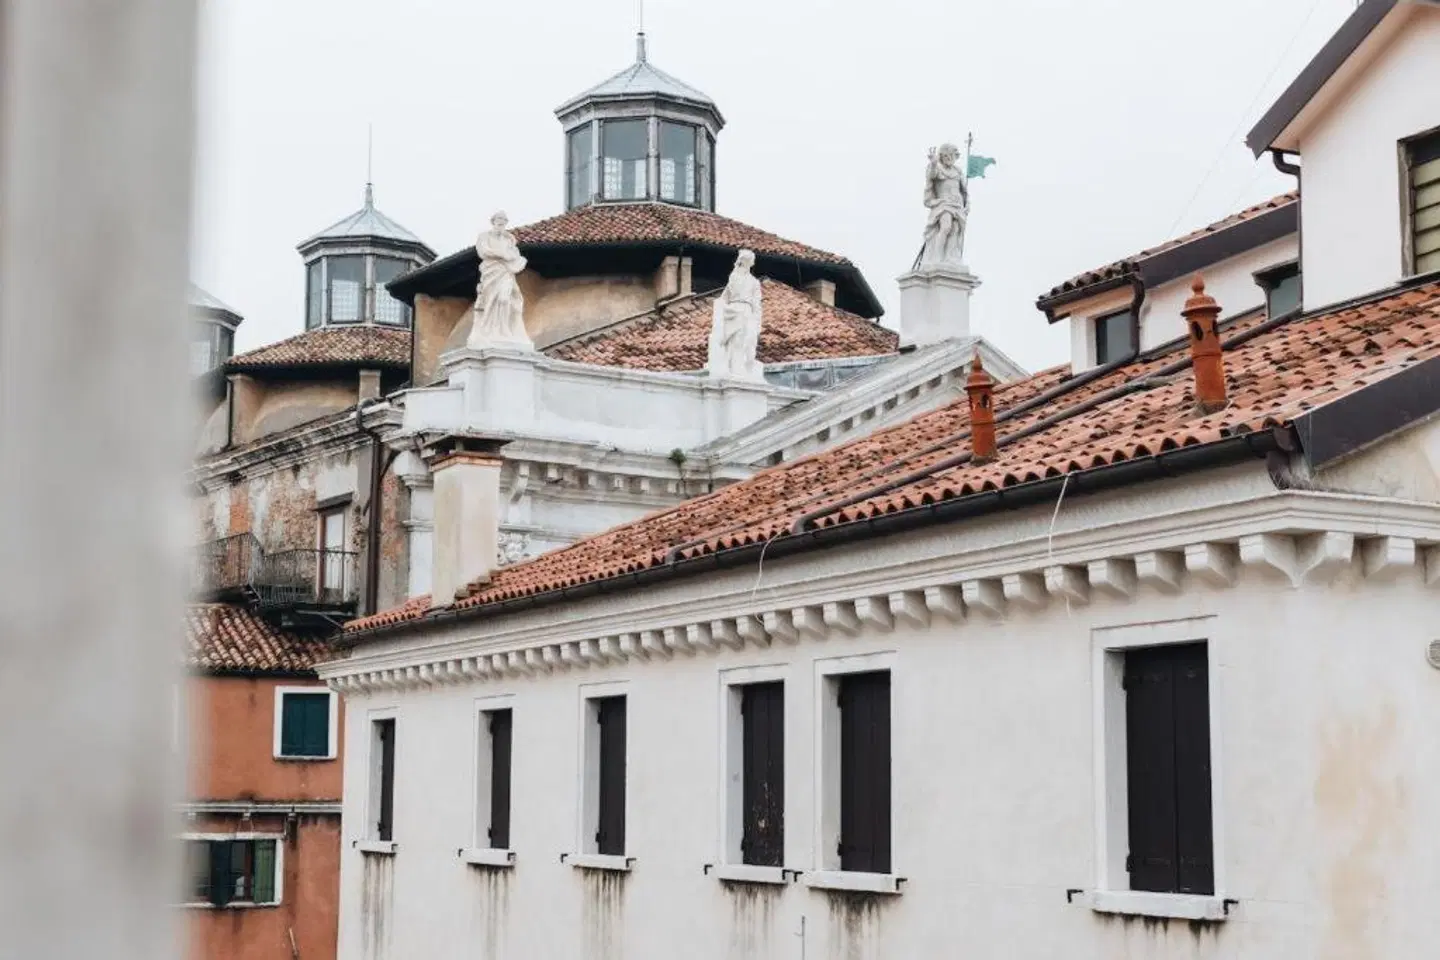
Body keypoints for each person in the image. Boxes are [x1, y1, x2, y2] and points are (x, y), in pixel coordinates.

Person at [467, 211, 532, 349]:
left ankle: (504, 329)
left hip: (506, 272)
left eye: (504, 221)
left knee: (505, 299)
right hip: (491, 272)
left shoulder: (509, 240)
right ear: (493, 221)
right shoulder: (484, 237)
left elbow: (514, 255)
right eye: (499, 220)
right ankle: (490, 329)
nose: (501, 223)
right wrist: (502, 254)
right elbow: (484, 252)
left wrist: (514, 259)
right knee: (490, 302)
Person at [708, 249, 764, 381]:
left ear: (751, 263)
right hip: (734, 310)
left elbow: (757, 302)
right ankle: (735, 367)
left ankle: (745, 366)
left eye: (748, 261)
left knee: (749, 340)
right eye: (743, 260)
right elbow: (725, 296)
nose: (745, 263)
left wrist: (757, 319)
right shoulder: (734, 277)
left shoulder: (754, 282)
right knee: (736, 340)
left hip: (748, 311)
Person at [920, 144, 969, 267]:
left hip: (957, 206)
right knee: (946, 227)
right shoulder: (938, 168)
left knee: (956, 229)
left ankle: (949, 258)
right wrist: (933, 163)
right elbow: (931, 175)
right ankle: (937, 257)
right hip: (943, 204)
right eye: (946, 155)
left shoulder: (957, 171)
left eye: (951, 155)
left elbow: (963, 191)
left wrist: (967, 203)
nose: (949, 158)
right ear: (941, 156)